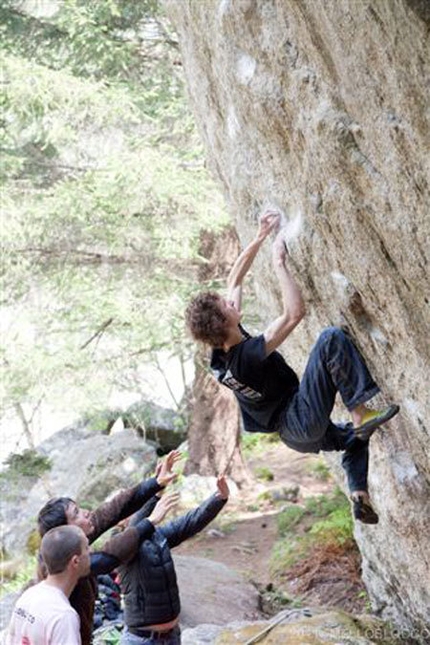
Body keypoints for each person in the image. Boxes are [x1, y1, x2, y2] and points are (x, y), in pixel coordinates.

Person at [185, 211, 399, 525]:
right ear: (222, 322)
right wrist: (279, 263)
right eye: (226, 306)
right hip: (298, 418)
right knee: (330, 339)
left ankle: (358, 492)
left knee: (356, 438)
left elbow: (234, 279)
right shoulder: (244, 358)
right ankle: (360, 411)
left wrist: (259, 237)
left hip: (295, 434)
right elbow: (294, 314)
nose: (232, 303)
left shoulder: (220, 353)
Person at [36, 451, 181, 645]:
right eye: (77, 513)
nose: (87, 513)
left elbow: (113, 510)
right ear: (66, 529)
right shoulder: (63, 564)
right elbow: (109, 557)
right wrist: (150, 521)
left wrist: (155, 482)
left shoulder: (67, 541)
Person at [118, 475, 230, 644]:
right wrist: (155, 495)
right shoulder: (119, 545)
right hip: (141, 641)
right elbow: (135, 527)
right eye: (132, 506)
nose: (138, 508)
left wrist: (219, 498)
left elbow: (191, 521)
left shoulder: (158, 536)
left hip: (171, 637)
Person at [6, 525, 90, 645]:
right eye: (86, 548)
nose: (90, 552)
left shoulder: (29, 595)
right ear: (75, 561)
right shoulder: (63, 616)